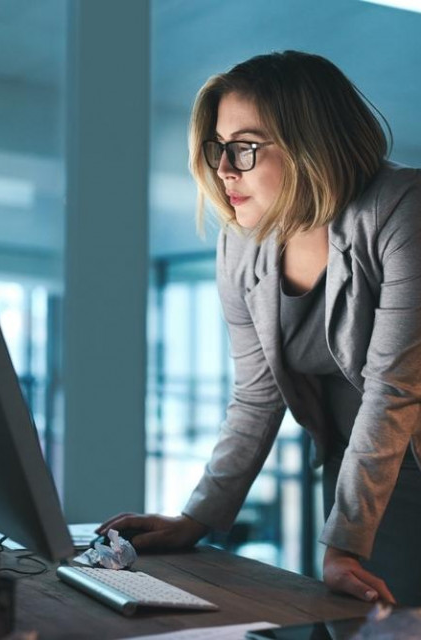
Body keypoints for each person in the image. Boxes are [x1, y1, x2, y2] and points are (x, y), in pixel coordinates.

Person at [100, 50, 421, 606]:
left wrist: (344, 545)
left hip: (401, 446)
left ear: (311, 143)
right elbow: (257, 395)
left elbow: (392, 390)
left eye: (245, 147)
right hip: (359, 462)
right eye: (219, 147)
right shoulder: (242, 243)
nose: (224, 168)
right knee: (353, 620)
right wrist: (196, 518)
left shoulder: (403, 209)